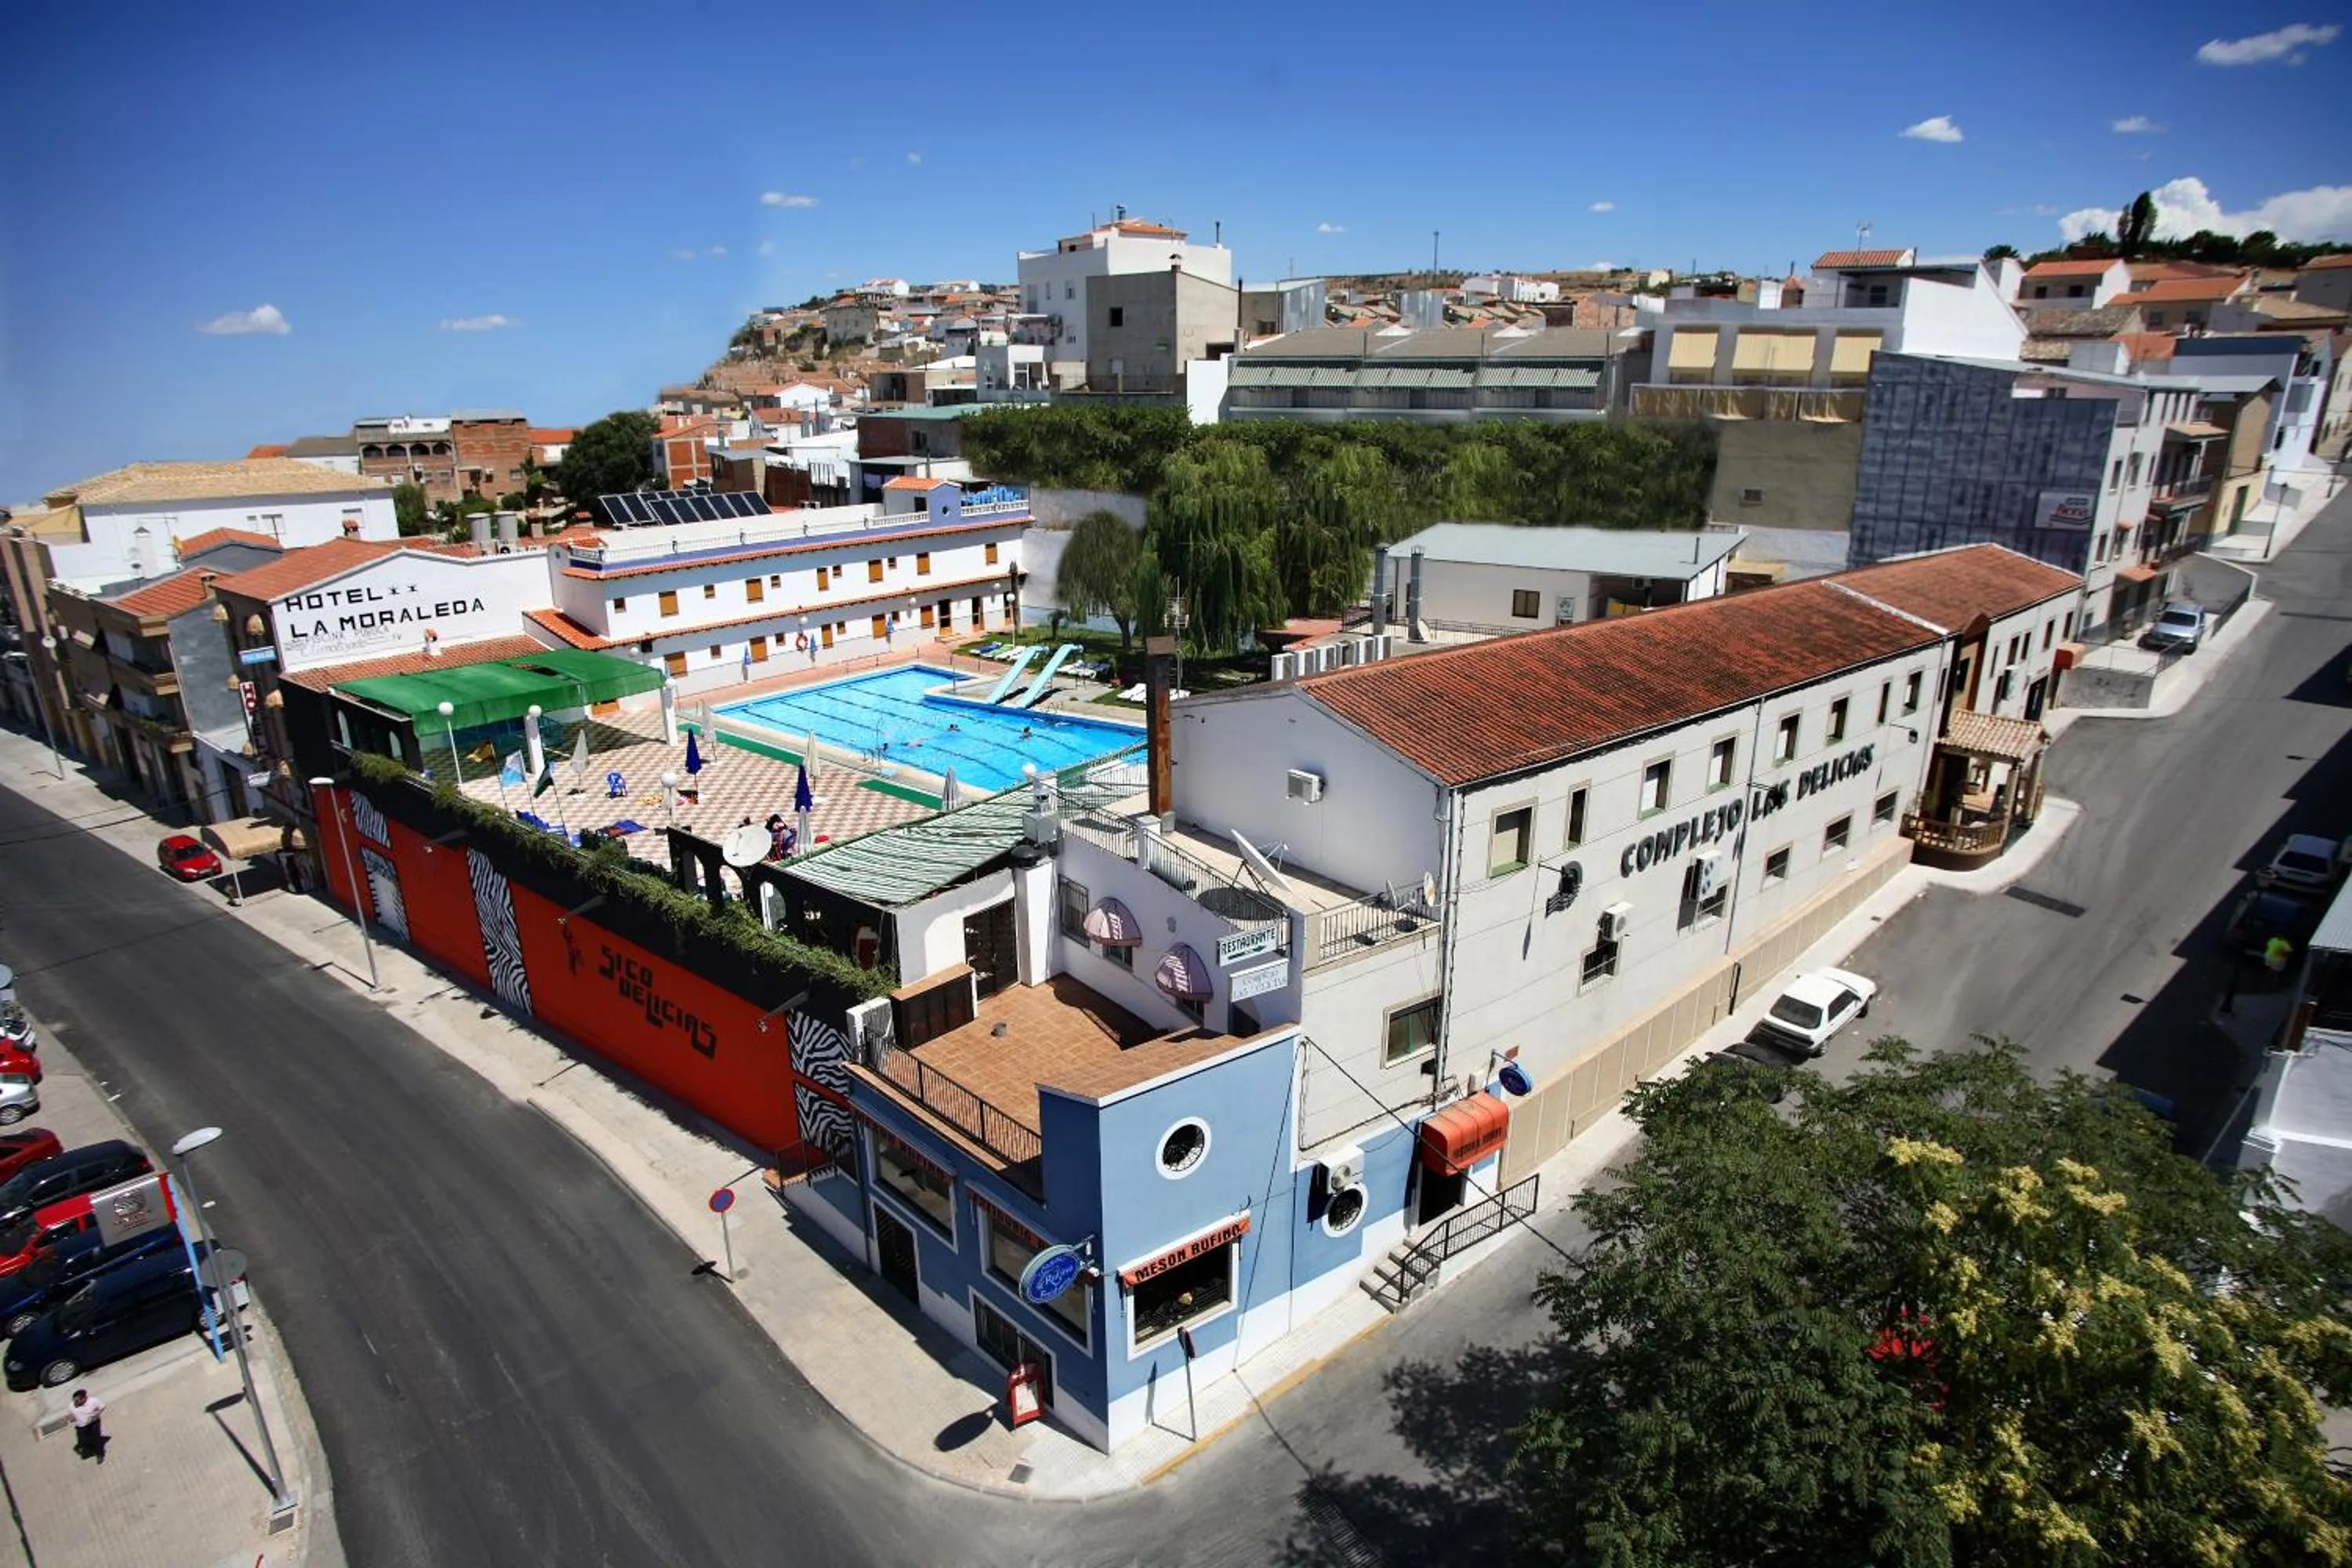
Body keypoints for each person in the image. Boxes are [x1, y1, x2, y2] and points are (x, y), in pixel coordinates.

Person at [68, 1389, 104, 1462]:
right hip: (80, 1426)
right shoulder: (72, 1405)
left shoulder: (94, 1401)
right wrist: (71, 1418)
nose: (75, 1403)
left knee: (96, 1440)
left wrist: (97, 1415)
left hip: (93, 1424)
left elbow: (102, 1407)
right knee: (82, 1440)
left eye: (77, 1401)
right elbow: (71, 1414)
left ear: (84, 1398)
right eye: (74, 1401)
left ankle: (100, 1454)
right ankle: (82, 1447)